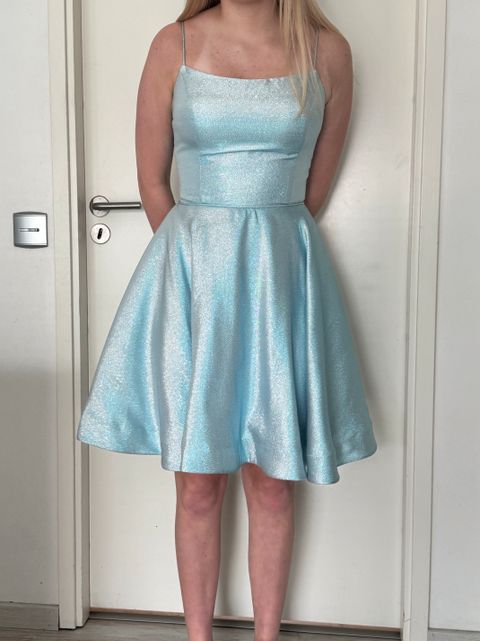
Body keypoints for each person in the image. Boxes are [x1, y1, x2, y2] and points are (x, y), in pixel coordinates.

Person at [77, 1, 378, 640]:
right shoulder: (175, 44)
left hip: (280, 278)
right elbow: (152, 180)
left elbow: (313, 192)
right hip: (194, 283)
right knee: (197, 485)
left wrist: (263, 239)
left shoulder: (328, 51)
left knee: (273, 484)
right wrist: (197, 263)